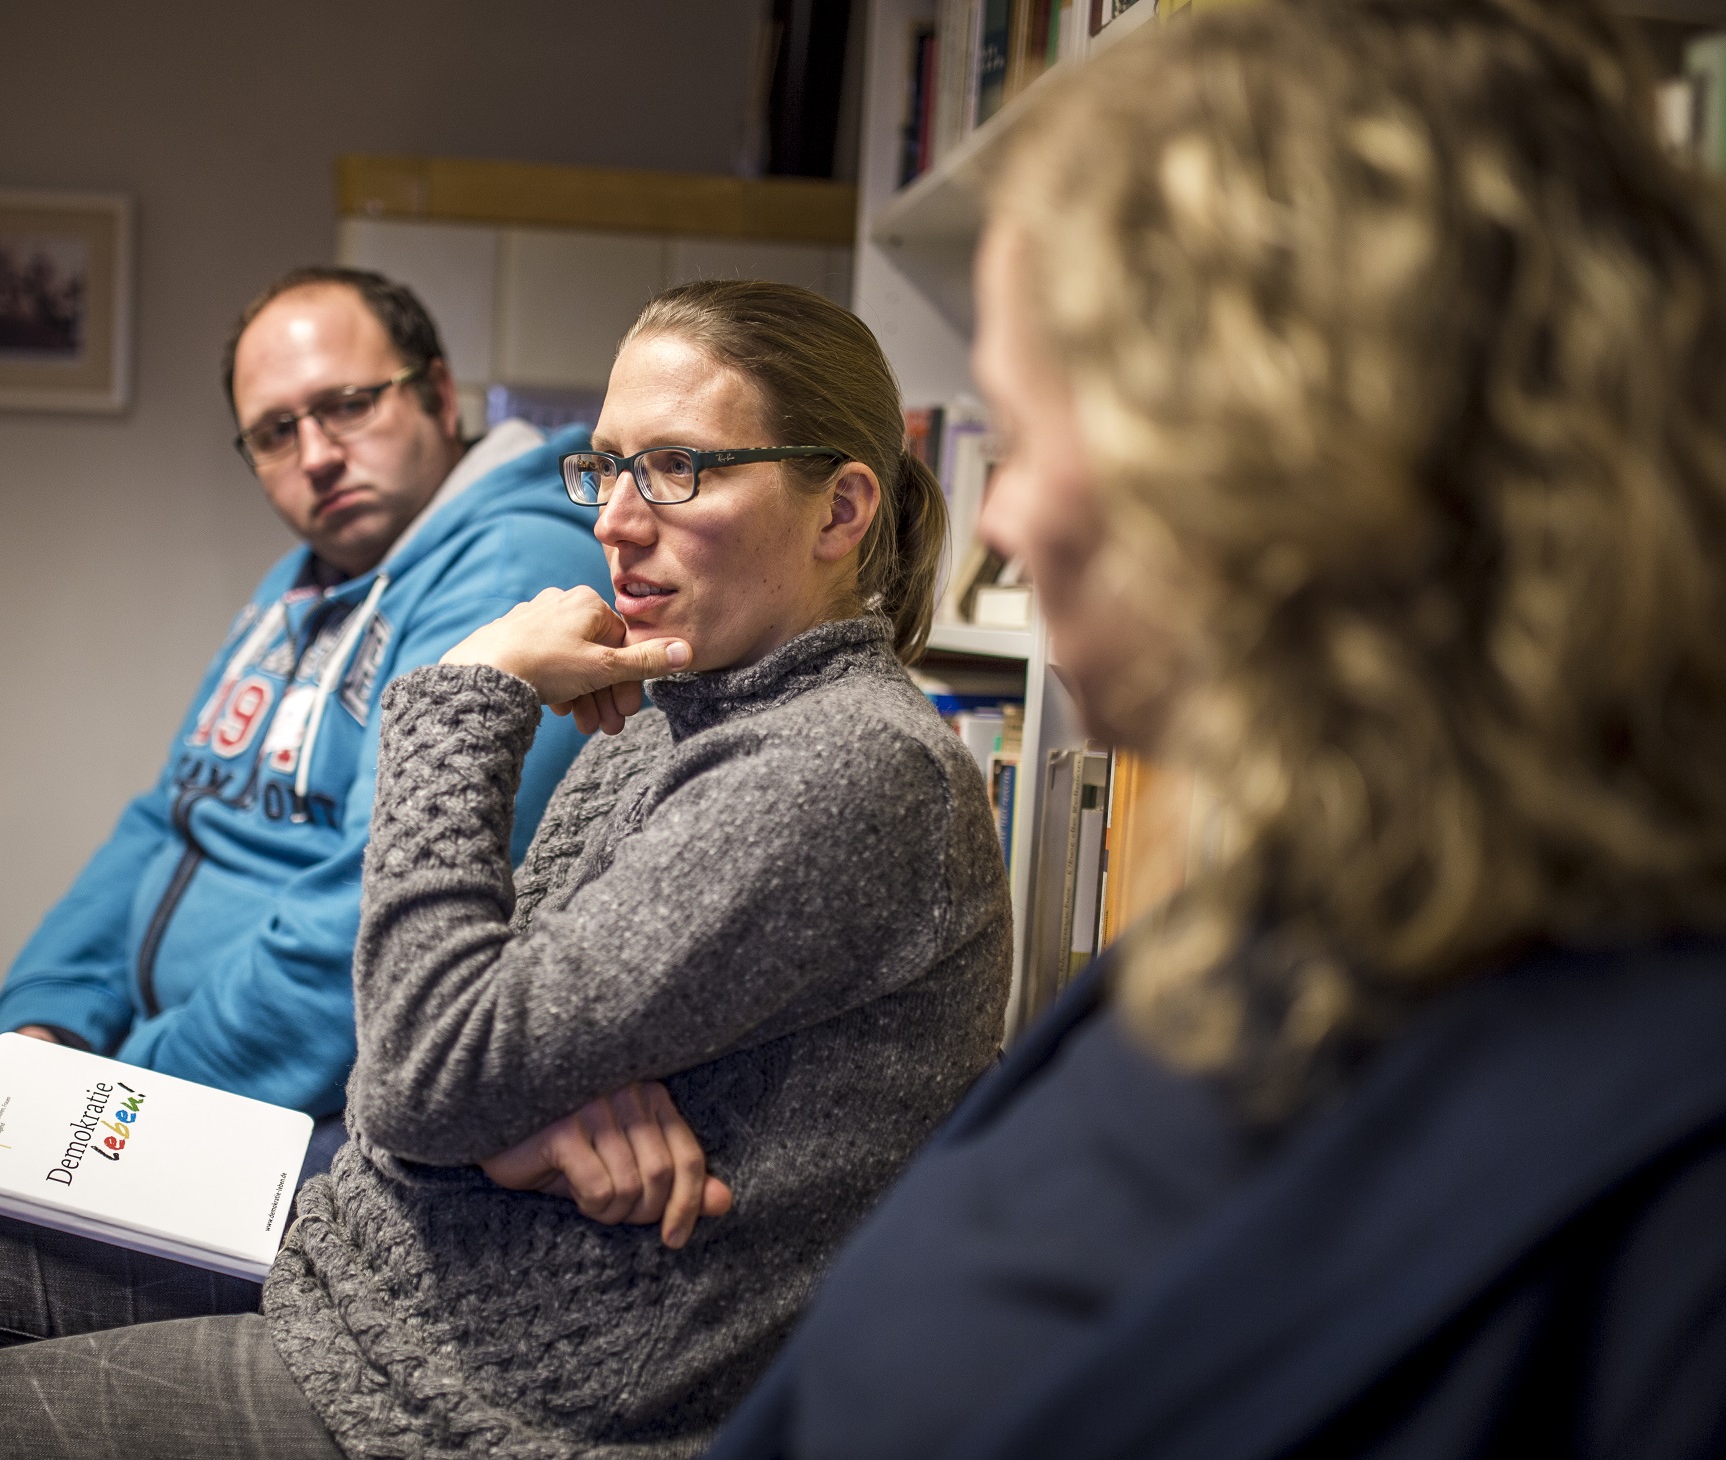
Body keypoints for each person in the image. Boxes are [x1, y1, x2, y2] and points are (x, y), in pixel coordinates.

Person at [0, 279, 1011, 1458]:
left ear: (841, 509)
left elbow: (420, 1060)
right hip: (383, 1248)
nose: (615, 519)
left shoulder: (838, 762)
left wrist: (462, 701)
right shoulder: (678, 692)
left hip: (478, 1380)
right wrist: (494, 1103)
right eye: (609, 464)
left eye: (678, 467)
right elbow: (444, 1031)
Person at [701, 3, 1726, 1458]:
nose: (999, 522)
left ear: (1260, 453)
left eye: (1024, 434)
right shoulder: (1257, 938)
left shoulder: (1669, 1202)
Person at [0, 266, 611, 1175]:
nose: (316, 457)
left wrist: (131, 1077)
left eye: (347, 406)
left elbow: (372, 911)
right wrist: (51, 1017)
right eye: (274, 433)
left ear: (437, 389)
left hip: (314, 1102)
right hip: (168, 1055)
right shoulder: (304, 578)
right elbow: (172, 811)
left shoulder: (512, 570)